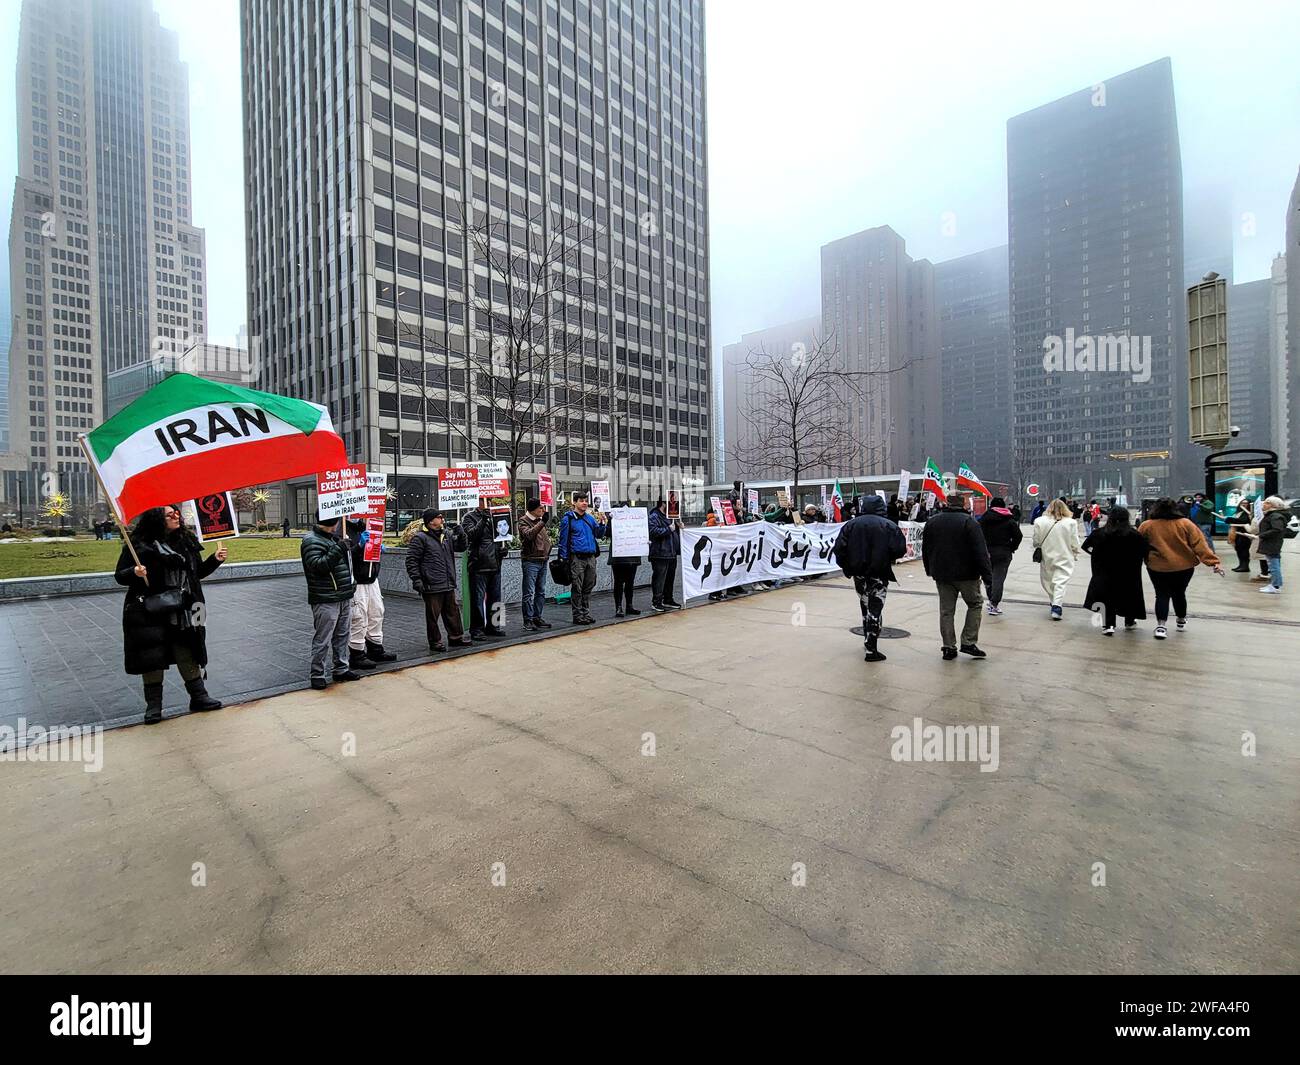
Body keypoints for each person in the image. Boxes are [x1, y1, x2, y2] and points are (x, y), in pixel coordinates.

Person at [115, 504, 226, 723]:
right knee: (152, 657)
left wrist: (215, 560)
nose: (177, 517)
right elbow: (120, 576)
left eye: (177, 513)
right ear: (157, 519)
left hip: (185, 609)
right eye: (170, 515)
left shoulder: (186, 542)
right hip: (151, 611)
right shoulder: (139, 545)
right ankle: (154, 707)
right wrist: (135, 572)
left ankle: (199, 697)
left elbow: (197, 574)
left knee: (187, 651)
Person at [833, 495, 907, 662]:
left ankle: (868, 637)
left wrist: (847, 566)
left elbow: (839, 548)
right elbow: (900, 548)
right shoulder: (888, 525)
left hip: (858, 571)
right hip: (879, 571)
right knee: (875, 606)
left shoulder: (851, 525)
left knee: (865, 603)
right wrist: (888, 558)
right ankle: (871, 646)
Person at [1138, 497, 1224, 638]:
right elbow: (1200, 545)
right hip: (1184, 566)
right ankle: (1181, 620)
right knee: (1179, 593)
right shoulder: (1186, 524)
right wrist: (1213, 562)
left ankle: (1161, 626)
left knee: (1161, 594)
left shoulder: (1147, 525)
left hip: (1157, 566)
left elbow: (1138, 545)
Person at [920, 493, 992, 660]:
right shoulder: (969, 522)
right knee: (975, 604)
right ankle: (968, 641)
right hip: (967, 574)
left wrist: (929, 569)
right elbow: (980, 552)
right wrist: (988, 576)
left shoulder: (933, 521)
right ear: (964, 503)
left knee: (946, 610)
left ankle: (948, 646)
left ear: (947, 503)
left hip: (942, 573)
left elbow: (926, 548)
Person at [300, 513, 361, 689]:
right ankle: (317, 673)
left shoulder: (334, 539)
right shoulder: (311, 541)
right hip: (326, 597)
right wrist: (339, 549)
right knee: (323, 638)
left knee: (342, 635)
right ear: (332, 522)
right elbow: (318, 566)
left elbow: (343, 565)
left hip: (343, 594)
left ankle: (341, 668)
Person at [406, 508, 472, 652]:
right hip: (432, 584)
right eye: (439, 517)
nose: (442, 519)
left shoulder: (446, 535)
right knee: (432, 615)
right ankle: (435, 642)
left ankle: (456, 637)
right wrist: (417, 579)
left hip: (448, 582)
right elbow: (411, 561)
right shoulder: (420, 538)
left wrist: (462, 535)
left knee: (453, 612)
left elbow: (460, 547)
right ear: (431, 521)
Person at [1081, 505, 1149, 634]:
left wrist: (1095, 555)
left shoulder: (1099, 533)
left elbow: (1086, 546)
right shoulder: (1134, 535)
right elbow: (1145, 550)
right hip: (1128, 573)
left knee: (1107, 597)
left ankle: (1108, 625)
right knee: (1129, 596)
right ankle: (1129, 621)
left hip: (1105, 572)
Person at [345, 516, 395, 669]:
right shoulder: (342, 531)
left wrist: (377, 549)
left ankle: (375, 649)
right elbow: (343, 557)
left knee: (376, 612)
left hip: (371, 577)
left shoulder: (368, 526)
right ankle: (357, 653)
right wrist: (359, 546)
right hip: (357, 580)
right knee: (358, 616)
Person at [460, 497, 509, 640]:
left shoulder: (496, 515)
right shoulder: (469, 517)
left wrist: (503, 549)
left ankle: (494, 626)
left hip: (495, 563)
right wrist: (483, 519)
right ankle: (477, 629)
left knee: (496, 598)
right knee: (477, 600)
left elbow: (501, 535)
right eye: (483, 500)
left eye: (488, 499)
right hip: (479, 565)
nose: (487, 502)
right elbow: (471, 535)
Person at [556, 492, 607, 624]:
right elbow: (563, 540)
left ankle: (585, 613)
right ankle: (577, 615)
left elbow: (599, 534)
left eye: (585, 500)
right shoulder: (568, 519)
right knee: (577, 587)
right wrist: (564, 559)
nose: (584, 503)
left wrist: (602, 524)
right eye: (581, 501)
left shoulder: (590, 519)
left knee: (589, 585)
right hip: (576, 558)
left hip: (591, 557)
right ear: (574, 502)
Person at [1032, 497, 1081, 620]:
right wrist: (1075, 551)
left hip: (1047, 555)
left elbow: (1036, 540)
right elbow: (1074, 541)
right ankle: (1056, 605)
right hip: (1065, 554)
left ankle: (1055, 602)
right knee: (1060, 581)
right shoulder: (1071, 523)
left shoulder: (1039, 521)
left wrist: (1038, 547)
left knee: (1047, 581)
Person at [977, 495, 1022, 616]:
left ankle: (991, 598)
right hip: (1003, 552)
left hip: (986, 553)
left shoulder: (983, 519)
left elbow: (977, 535)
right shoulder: (1009, 520)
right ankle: (994, 603)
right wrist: (1012, 547)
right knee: (999, 578)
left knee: (988, 577)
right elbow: (1018, 536)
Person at [517, 498, 554, 630]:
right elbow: (528, 535)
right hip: (531, 561)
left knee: (541, 591)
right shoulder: (523, 521)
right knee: (529, 592)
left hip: (542, 559)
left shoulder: (539, 521)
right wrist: (542, 522)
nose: (543, 510)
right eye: (540, 508)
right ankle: (528, 620)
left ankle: (537, 617)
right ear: (533, 509)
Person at [607, 503, 642, 618]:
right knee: (619, 582)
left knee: (630, 583)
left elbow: (641, 532)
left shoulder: (635, 521)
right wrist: (609, 520)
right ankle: (619, 607)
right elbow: (607, 533)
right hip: (619, 557)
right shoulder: (613, 519)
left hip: (632, 556)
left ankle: (629, 606)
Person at [648, 498, 682, 611]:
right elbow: (652, 531)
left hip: (671, 552)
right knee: (659, 579)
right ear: (663, 504)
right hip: (660, 553)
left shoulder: (671, 516)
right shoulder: (654, 516)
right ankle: (656, 601)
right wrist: (668, 529)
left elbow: (674, 531)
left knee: (670, 578)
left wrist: (679, 526)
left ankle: (668, 599)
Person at [1253, 496, 1291, 594]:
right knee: (1273, 565)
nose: (1263, 504)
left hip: (1272, 544)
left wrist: (1261, 535)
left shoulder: (1275, 516)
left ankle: (1276, 586)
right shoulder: (1272, 515)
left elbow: (1277, 529)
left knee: (1273, 565)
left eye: (1267, 503)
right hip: (1271, 543)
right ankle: (1275, 584)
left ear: (1273, 505)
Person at [1225, 499, 1256, 573]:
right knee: (1238, 549)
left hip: (1244, 534)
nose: (1243, 504)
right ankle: (1241, 565)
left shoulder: (1249, 513)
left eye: (1246, 503)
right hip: (1237, 533)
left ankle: (1245, 566)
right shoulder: (1239, 512)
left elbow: (1244, 521)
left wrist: (1230, 519)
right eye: (1242, 503)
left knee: (1244, 550)